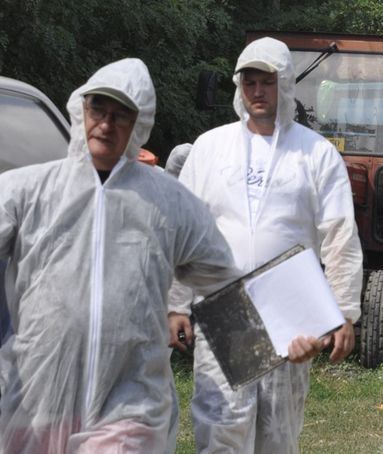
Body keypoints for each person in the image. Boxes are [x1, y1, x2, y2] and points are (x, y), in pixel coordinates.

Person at [0, 58, 242, 452]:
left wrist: (266, 355)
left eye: (120, 115)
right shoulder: (27, 191)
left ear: (139, 124)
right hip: (37, 395)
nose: (106, 124)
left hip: (131, 402)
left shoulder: (168, 202)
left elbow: (224, 280)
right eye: (98, 109)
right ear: (82, 110)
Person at [169, 37, 363, 453]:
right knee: (221, 430)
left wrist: (343, 312)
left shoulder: (315, 154)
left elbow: (339, 232)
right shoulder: (210, 148)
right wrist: (176, 303)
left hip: (290, 312)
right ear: (239, 87)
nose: (257, 91)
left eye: (267, 82)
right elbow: (186, 229)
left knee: (278, 434)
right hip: (225, 309)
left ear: (286, 85)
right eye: (249, 82)